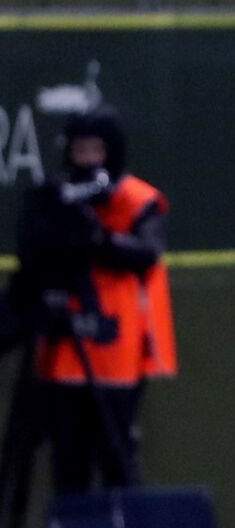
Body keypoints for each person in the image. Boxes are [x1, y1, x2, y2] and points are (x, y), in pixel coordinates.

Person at [18, 104, 177, 497]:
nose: (87, 160)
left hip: (116, 349)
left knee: (115, 453)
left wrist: (98, 239)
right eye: (80, 150)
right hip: (65, 347)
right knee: (68, 457)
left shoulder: (136, 200)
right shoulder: (58, 199)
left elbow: (147, 253)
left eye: (95, 150)